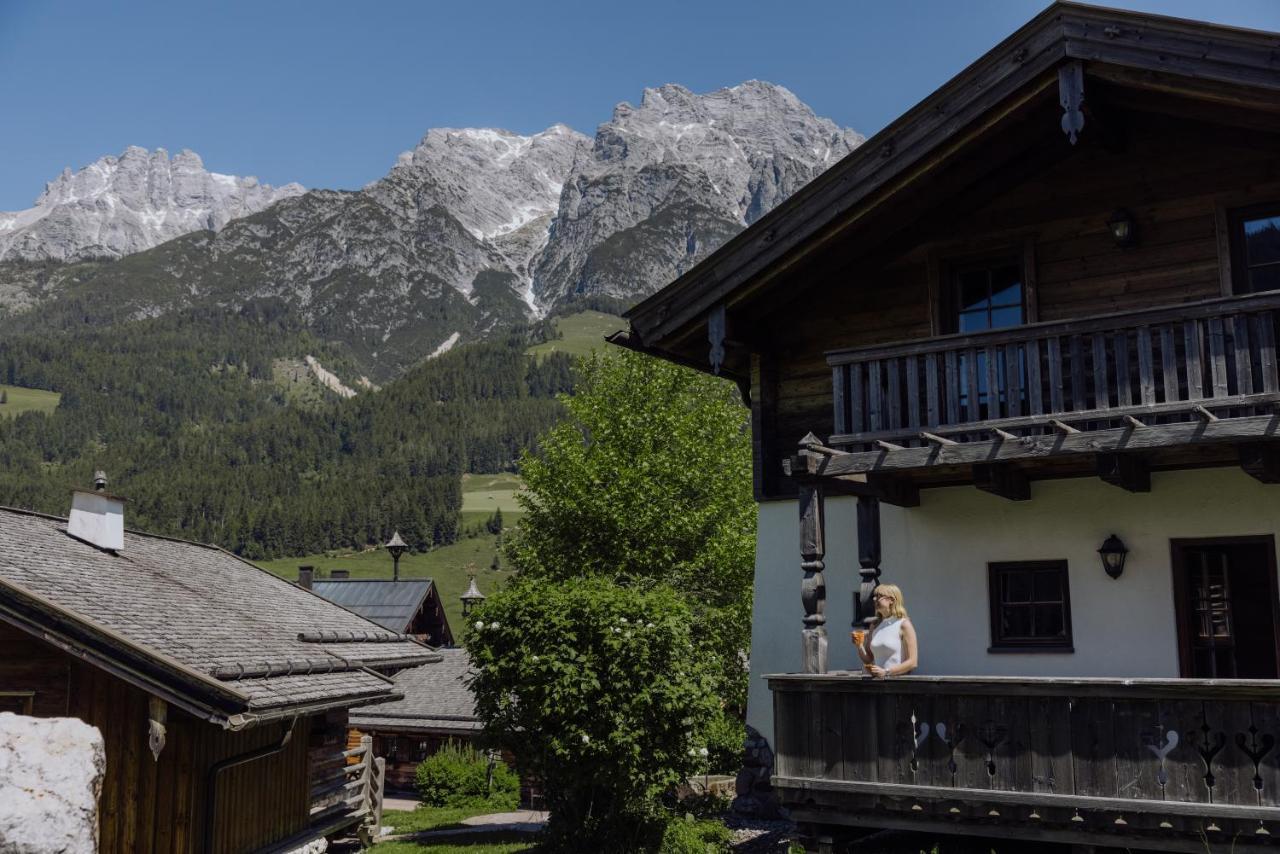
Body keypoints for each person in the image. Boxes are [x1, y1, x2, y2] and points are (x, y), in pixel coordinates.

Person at [854, 583, 918, 677]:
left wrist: (886, 672)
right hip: (877, 684)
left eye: (879, 596)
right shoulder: (874, 625)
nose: (874, 599)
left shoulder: (903, 624)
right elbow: (869, 659)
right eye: (874, 596)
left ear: (891, 600)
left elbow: (913, 662)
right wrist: (859, 645)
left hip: (898, 684)